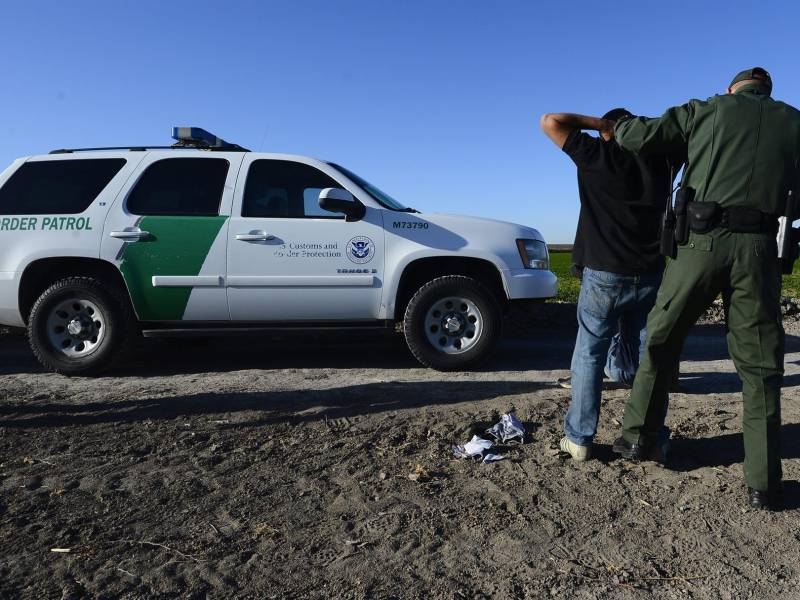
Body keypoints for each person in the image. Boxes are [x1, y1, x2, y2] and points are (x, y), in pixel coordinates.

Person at [610, 67, 800, 511]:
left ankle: (639, 438)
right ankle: (764, 484)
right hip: (759, 250)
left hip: (699, 242)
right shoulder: (794, 122)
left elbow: (637, 137)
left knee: (661, 338)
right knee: (761, 366)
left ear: (733, 89)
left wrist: (615, 125)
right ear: (767, 93)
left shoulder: (705, 109)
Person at [540, 109, 682, 461]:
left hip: (603, 274)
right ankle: (652, 437)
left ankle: (579, 438)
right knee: (650, 359)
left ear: (608, 132)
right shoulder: (664, 163)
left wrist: (602, 127)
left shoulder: (595, 155)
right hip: (650, 274)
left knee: (589, 353)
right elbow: (684, 138)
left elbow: (550, 121)